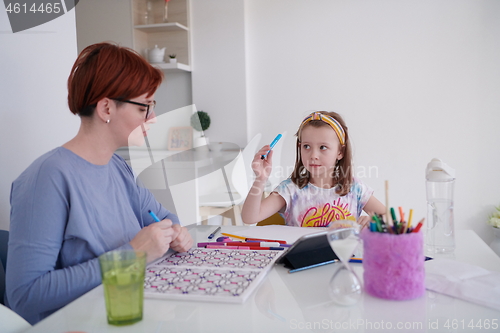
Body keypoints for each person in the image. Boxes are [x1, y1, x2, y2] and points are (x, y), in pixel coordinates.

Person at [5, 42, 193, 325]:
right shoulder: (47, 179)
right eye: (145, 107)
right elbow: (25, 295)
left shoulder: (117, 168)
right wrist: (133, 255)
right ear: (106, 107)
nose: (152, 118)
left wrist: (175, 232)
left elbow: (163, 217)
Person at [241, 111, 385, 228]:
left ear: (340, 152)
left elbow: (392, 221)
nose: (313, 155)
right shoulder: (290, 189)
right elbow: (249, 217)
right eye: (306, 146)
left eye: (323, 147)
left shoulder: (355, 189)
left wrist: (374, 221)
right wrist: (260, 179)